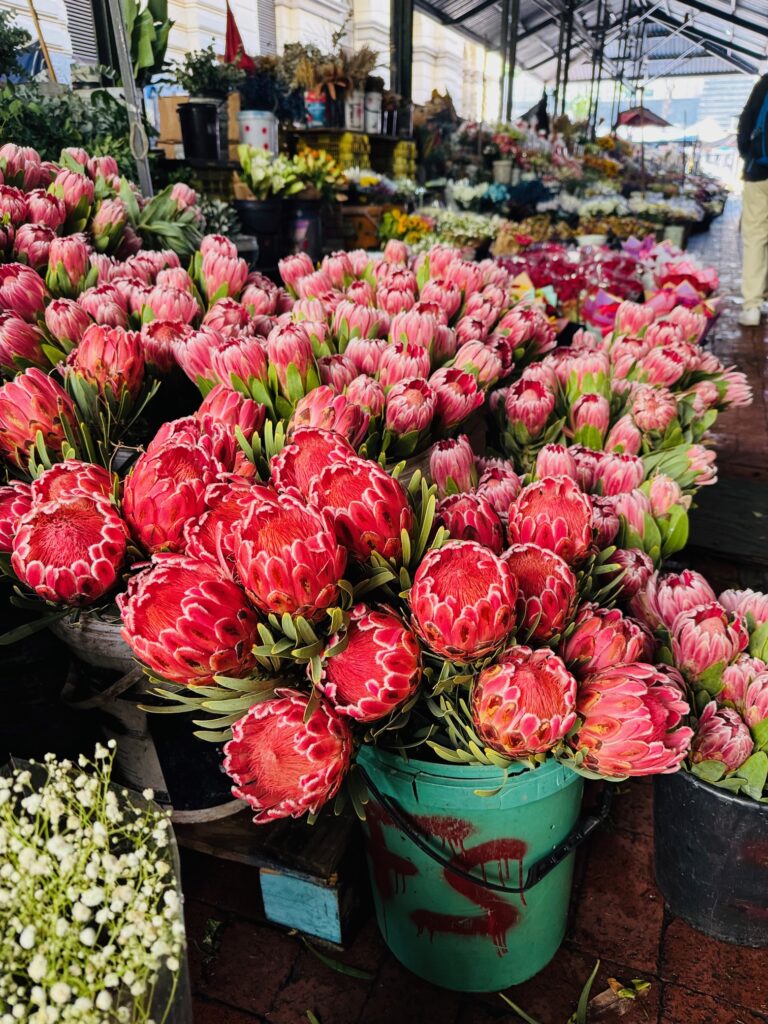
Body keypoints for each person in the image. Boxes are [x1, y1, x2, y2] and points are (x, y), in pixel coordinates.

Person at [737, 73, 768, 326]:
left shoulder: (765, 83)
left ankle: (752, 307)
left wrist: (748, 155)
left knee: (756, 236)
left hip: (759, 172)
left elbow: (745, 124)